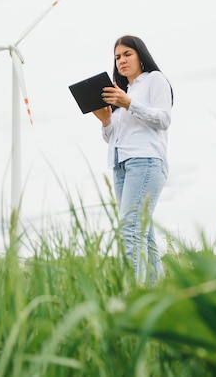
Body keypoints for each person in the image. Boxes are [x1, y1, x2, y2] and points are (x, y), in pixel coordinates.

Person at [93, 35, 173, 286]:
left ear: (140, 54)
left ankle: (132, 298)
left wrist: (129, 104)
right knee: (142, 235)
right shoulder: (121, 92)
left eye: (127, 54)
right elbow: (113, 137)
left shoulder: (154, 80)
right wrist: (106, 120)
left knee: (130, 232)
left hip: (145, 161)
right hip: (121, 165)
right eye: (117, 57)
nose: (121, 60)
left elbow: (163, 119)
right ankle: (156, 293)